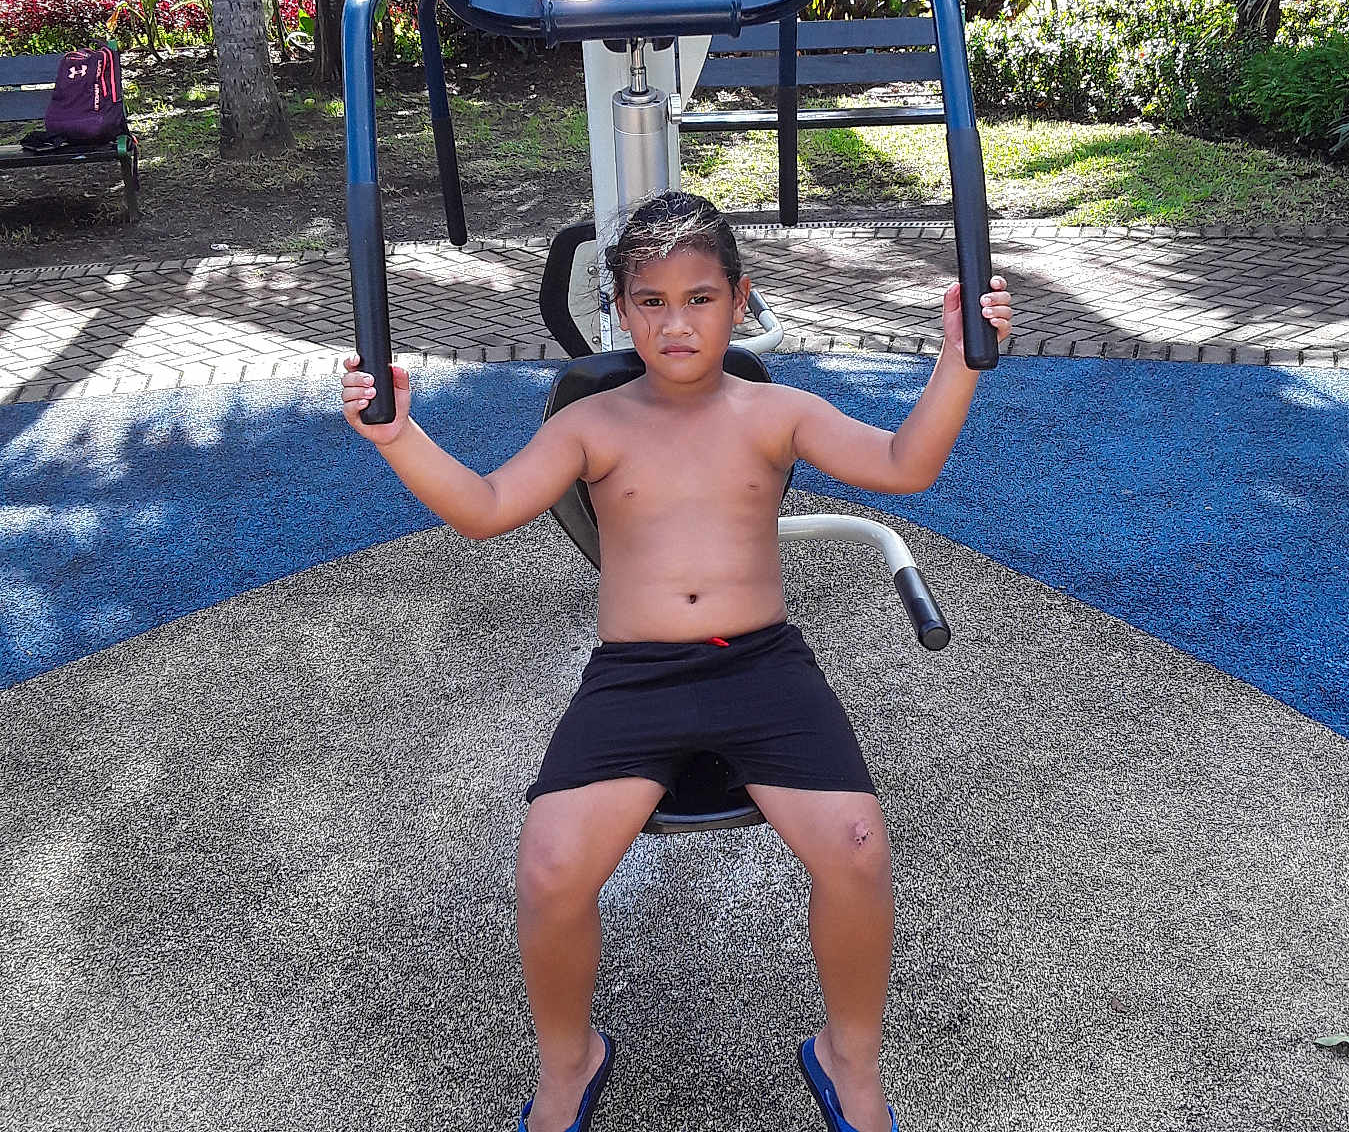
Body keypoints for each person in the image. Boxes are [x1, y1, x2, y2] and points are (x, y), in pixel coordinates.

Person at [341, 190, 1013, 1132]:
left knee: (859, 848)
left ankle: (848, 1058)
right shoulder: (594, 425)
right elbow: (485, 509)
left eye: (699, 299)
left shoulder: (778, 411)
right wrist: (397, 435)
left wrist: (957, 360)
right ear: (620, 310)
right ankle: (570, 1062)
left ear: (739, 299)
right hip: (637, 676)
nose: (676, 323)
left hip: (761, 667)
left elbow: (906, 464)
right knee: (549, 866)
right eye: (651, 302)